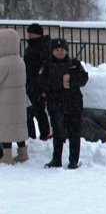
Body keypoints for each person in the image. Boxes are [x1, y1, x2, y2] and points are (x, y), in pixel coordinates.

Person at [38, 38, 88, 169]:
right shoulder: (47, 65)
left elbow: (84, 78)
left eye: (62, 50)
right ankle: (56, 159)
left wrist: (72, 79)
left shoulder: (74, 64)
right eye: (57, 50)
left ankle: (73, 160)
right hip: (56, 104)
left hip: (74, 103)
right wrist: (60, 83)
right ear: (52, 51)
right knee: (58, 132)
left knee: (74, 133)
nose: (60, 52)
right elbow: (42, 82)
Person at [1, 29, 29, 165]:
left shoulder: (3, 63)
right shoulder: (19, 61)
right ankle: (23, 152)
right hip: (18, 101)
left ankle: (7, 156)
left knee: (5, 127)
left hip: (5, 102)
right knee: (18, 126)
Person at [23, 23, 51, 141]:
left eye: (30, 33)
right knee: (35, 111)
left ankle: (38, 135)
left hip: (37, 85)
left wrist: (44, 88)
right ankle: (38, 135)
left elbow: (44, 67)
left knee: (34, 111)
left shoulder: (42, 47)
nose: (28, 35)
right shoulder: (32, 47)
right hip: (31, 84)